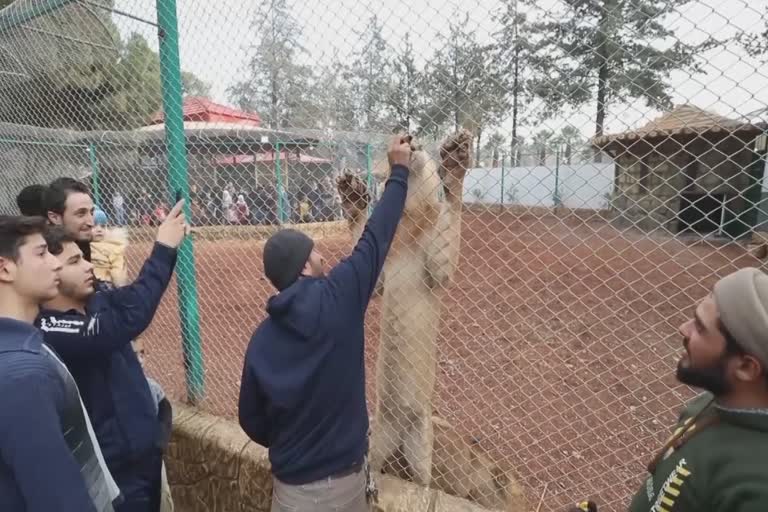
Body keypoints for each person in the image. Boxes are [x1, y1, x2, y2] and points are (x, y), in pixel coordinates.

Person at [237, 135, 412, 512]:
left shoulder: (261, 340)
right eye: (314, 250)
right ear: (303, 265)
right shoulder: (340, 296)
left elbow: (251, 421)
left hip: (290, 492)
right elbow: (377, 237)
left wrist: (296, 445)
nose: (322, 255)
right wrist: (399, 171)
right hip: (343, 487)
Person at [568, 267, 768, 512]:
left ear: (746, 367)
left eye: (700, 327)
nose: (684, 328)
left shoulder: (756, 488)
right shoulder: (715, 402)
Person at [36, 200, 188, 512]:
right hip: (112, 475)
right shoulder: (49, 327)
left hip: (144, 458)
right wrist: (163, 248)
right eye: (75, 261)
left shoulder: (96, 300)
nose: (88, 265)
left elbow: (134, 301)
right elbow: (122, 323)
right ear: (49, 271)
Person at [0, 215, 120, 511]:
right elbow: (57, 498)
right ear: (4, 267)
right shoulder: (22, 375)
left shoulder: (23, 347)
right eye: (41, 254)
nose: (55, 264)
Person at [42, 177, 95, 261]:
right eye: (81, 214)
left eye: (91, 213)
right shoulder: (45, 258)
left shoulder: (83, 242)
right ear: (55, 218)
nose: (91, 222)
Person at [91, 208, 129, 287]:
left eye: (103, 226)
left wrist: (118, 283)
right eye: (94, 226)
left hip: (105, 283)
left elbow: (117, 269)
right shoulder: (81, 244)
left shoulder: (113, 246)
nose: (99, 230)